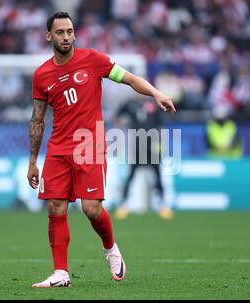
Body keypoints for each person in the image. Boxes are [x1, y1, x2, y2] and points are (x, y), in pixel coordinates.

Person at [27, 12, 175, 288]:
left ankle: (110, 248)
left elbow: (129, 78)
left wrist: (156, 93)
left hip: (89, 144)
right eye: (60, 32)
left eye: (70, 31)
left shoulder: (93, 60)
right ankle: (60, 273)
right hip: (58, 147)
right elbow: (37, 119)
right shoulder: (42, 75)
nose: (67, 37)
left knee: (92, 209)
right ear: (49, 36)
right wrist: (33, 161)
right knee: (55, 206)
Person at [114, 96, 173, 220]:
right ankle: (124, 205)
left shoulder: (153, 104)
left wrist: (160, 143)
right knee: (131, 175)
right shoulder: (130, 104)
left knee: (157, 174)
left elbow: (160, 123)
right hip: (137, 145)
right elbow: (118, 115)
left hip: (152, 145)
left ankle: (162, 205)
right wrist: (122, 123)